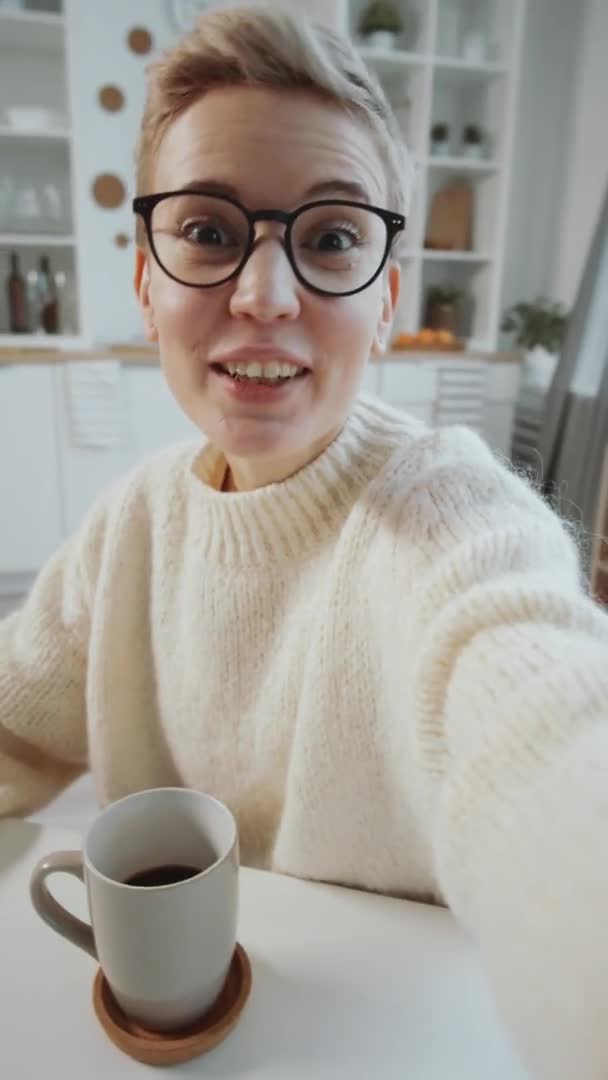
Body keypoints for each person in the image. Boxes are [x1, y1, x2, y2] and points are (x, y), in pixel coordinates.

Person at [1, 7, 607, 1076]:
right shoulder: (129, 527)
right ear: (146, 280)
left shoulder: (450, 516)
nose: (263, 296)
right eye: (206, 231)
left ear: (385, 297)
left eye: (329, 239)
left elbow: (549, 738)